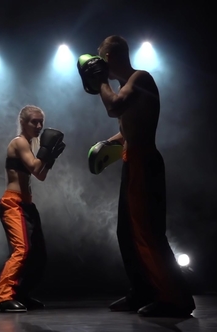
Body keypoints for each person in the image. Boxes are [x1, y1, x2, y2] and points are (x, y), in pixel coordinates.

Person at [78, 35, 196, 317]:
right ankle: (143, 290)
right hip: (133, 163)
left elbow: (114, 107)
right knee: (127, 234)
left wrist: (102, 81)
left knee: (148, 234)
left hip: (146, 163)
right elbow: (127, 127)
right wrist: (109, 144)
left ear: (107, 58)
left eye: (101, 59)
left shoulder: (140, 79)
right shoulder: (124, 86)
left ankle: (176, 298)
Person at [0, 105, 66, 313]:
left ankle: (21, 293)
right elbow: (34, 166)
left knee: (38, 255)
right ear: (23, 122)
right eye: (34, 121)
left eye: (41, 121)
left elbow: (40, 175)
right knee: (22, 250)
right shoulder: (19, 142)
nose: (39, 126)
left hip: (26, 204)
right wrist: (46, 152)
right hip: (12, 203)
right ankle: (2, 296)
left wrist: (50, 158)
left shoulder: (29, 145)